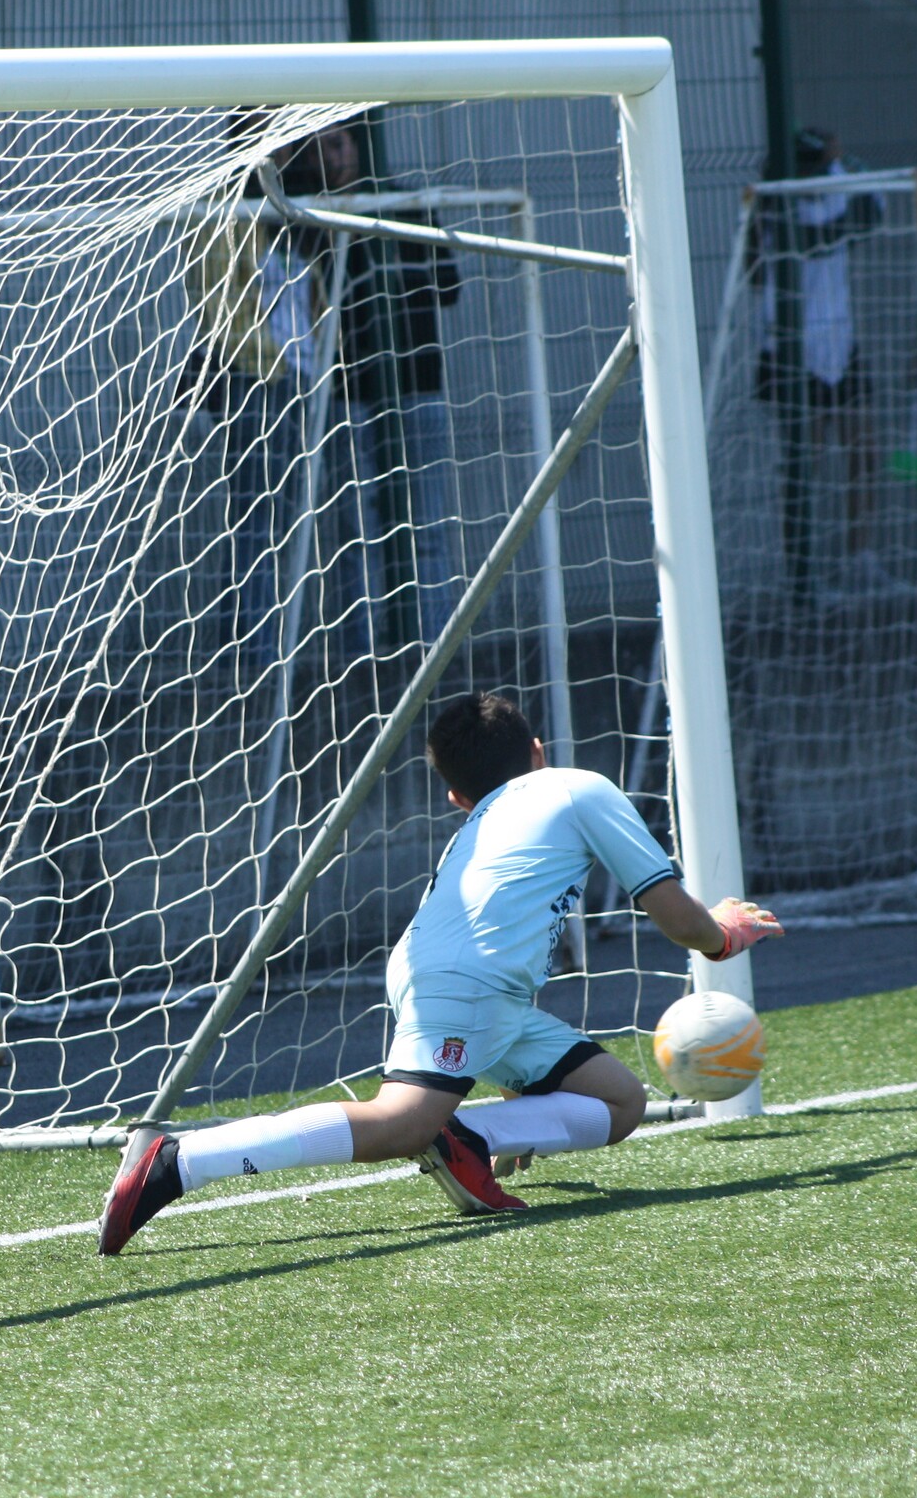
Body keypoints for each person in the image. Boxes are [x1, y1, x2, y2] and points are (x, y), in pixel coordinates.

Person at [100, 690, 783, 1254]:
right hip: (470, 984)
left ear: (458, 797)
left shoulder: (477, 826)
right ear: (538, 751)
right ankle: (178, 1160)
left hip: (460, 983)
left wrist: (522, 1116)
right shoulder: (579, 788)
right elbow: (678, 919)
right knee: (400, 1122)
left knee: (620, 1102)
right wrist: (725, 935)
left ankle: (469, 1139)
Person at [293, 121, 467, 653]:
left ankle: (433, 649)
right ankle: (364, 656)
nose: (332, 156)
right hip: (348, 392)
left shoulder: (405, 205)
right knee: (356, 529)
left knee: (427, 524)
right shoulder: (308, 218)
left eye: (338, 142)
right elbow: (306, 304)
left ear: (359, 143)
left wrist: (392, 267)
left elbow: (448, 286)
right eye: (318, 148)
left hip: (418, 385)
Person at [181, 115, 323, 677]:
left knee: (285, 521)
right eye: (274, 137)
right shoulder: (224, 211)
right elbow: (219, 308)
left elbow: (313, 293)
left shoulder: (291, 204)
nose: (285, 150)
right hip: (256, 379)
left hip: (301, 377)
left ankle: (266, 647)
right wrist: (270, 363)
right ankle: (248, 657)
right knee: (255, 520)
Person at [755, 126, 889, 594]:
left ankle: (861, 560)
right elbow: (813, 240)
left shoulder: (837, 185)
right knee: (804, 459)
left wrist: (841, 160)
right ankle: (802, 571)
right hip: (790, 346)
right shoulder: (772, 202)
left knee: (865, 451)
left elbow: (872, 214)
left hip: (840, 341)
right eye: (805, 161)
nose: (813, 169)